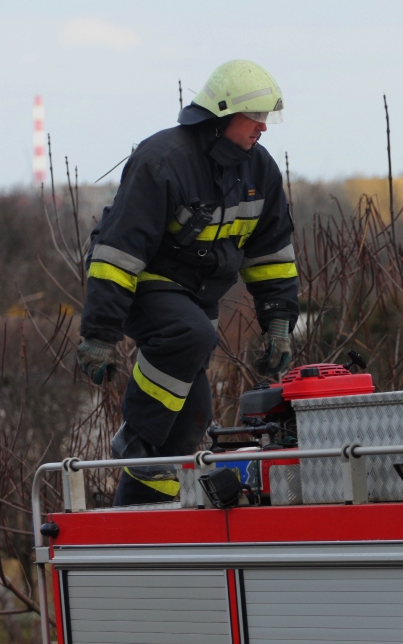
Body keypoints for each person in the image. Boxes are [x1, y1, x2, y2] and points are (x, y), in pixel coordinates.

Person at [76, 60, 299, 506]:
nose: (262, 128)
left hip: (197, 297)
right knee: (190, 334)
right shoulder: (163, 161)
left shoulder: (260, 173)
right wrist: (99, 335)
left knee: (192, 414)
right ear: (221, 114)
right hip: (144, 282)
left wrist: (278, 324)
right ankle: (134, 441)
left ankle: (138, 516)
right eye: (254, 117)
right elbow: (118, 255)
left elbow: (271, 256)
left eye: (266, 118)